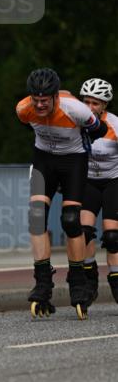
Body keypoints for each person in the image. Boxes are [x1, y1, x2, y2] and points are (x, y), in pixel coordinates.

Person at [16, 67, 107, 318]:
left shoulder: (75, 109)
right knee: (36, 217)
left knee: (70, 220)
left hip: (73, 161)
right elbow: (29, 126)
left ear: (56, 96)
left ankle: (78, 282)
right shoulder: (23, 109)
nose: (40, 104)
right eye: (36, 99)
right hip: (44, 159)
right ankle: (43, 283)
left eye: (45, 100)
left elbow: (98, 129)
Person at [78, 78, 118, 305]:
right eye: (86, 102)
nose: (90, 107)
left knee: (112, 237)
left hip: (114, 180)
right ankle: (89, 279)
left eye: (96, 103)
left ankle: (116, 280)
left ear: (104, 106)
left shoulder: (114, 124)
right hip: (89, 181)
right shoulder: (76, 122)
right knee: (82, 231)